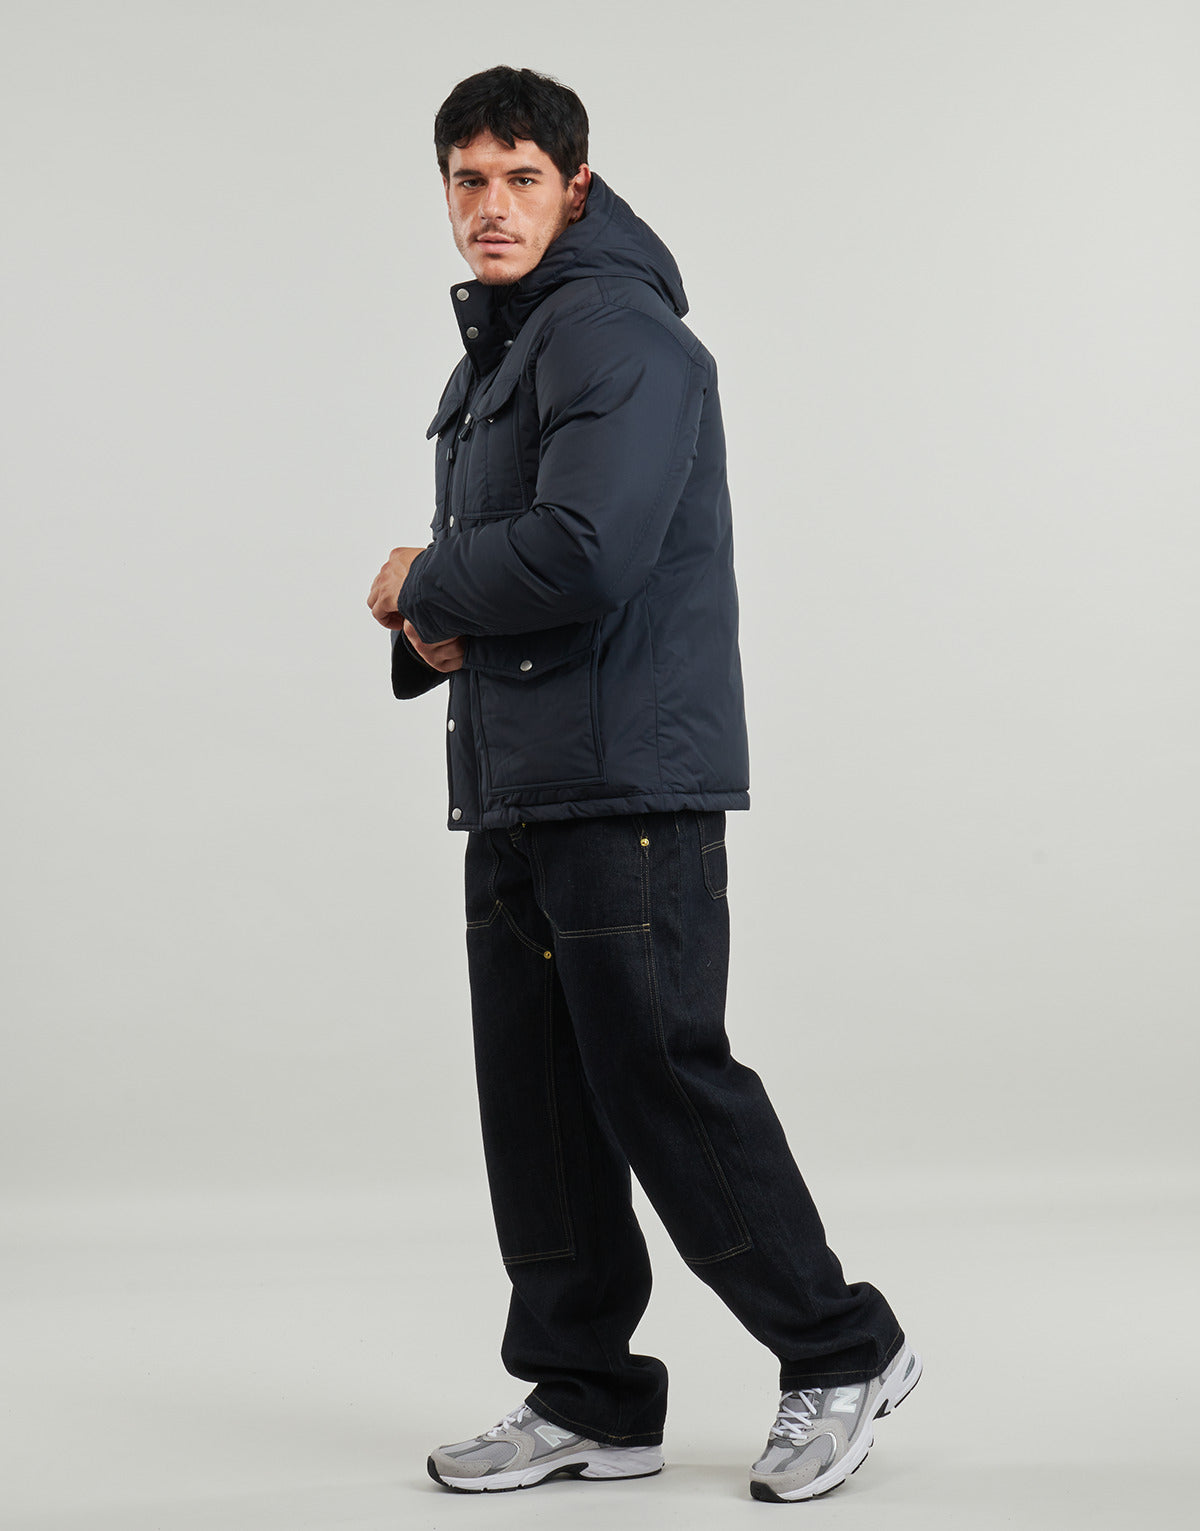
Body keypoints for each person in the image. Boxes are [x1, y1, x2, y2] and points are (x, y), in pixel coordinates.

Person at [367, 65, 921, 1503]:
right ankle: (590, 1399)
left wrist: (425, 580)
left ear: (577, 187)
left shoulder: (616, 331)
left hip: (624, 787)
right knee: (539, 1106)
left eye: (520, 179)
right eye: (468, 181)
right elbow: (531, 567)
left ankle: (842, 1352)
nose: (491, 207)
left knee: (662, 1080)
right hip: (524, 778)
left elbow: (588, 549)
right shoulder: (512, 347)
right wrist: (440, 621)